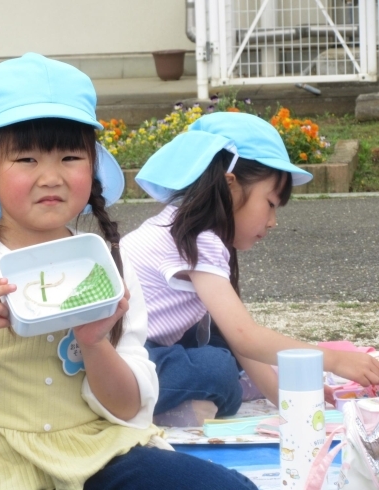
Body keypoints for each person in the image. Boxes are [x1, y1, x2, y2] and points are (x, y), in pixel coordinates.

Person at [0, 53, 257, 490]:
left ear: (92, 167)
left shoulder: (106, 262)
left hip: (92, 451)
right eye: (27, 160)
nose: (51, 177)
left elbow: (129, 408)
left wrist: (95, 344)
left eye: (70, 157)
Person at [121, 112, 379, 427]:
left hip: (129, 354)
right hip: (121, 363)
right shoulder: (199, 240)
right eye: (270, 204)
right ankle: (175, 406)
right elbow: (247, 338)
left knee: (220, 347)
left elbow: (240, 342)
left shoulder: (185, 228)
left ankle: (188, 399)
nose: (273, 221)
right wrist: (336, 360)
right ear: (230, 187)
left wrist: (287, 396)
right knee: (217, 369)